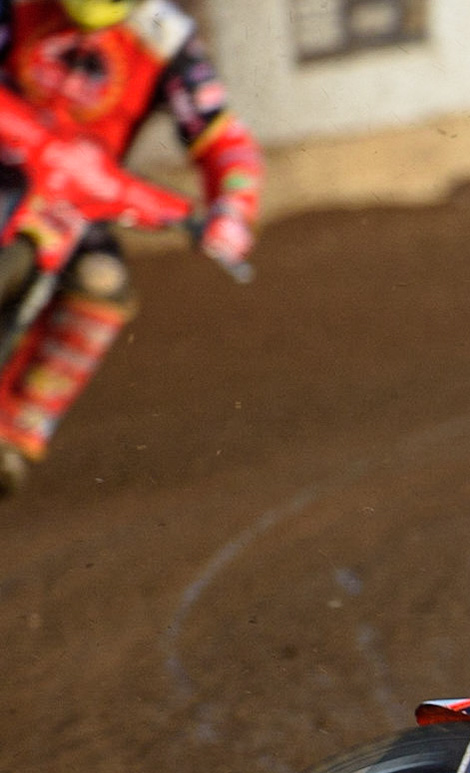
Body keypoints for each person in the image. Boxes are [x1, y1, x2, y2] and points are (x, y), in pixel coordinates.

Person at [0, 0, 261, 491]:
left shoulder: (165, 38)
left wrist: (233, 208)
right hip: (7, 165)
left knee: (102, 283)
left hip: (79, 202)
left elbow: (222, 135)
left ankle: (15, 430)